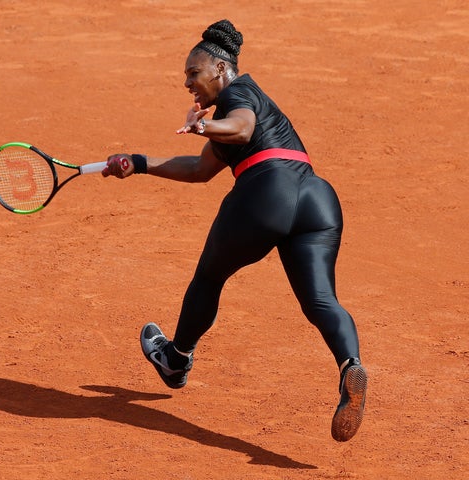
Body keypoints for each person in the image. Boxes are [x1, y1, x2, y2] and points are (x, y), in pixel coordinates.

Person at [101, 19, 367, 442]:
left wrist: (202, 125)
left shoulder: (237, 94)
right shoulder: (244, 104)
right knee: (320, 300)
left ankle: (176, 357)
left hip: (267, 193)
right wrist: (140, 162)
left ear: (220, 70)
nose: (188, 83)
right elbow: (202, 169)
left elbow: (241, 127)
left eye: (194, 73)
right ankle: (350, 366)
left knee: (208, 277)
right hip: (316, 198)